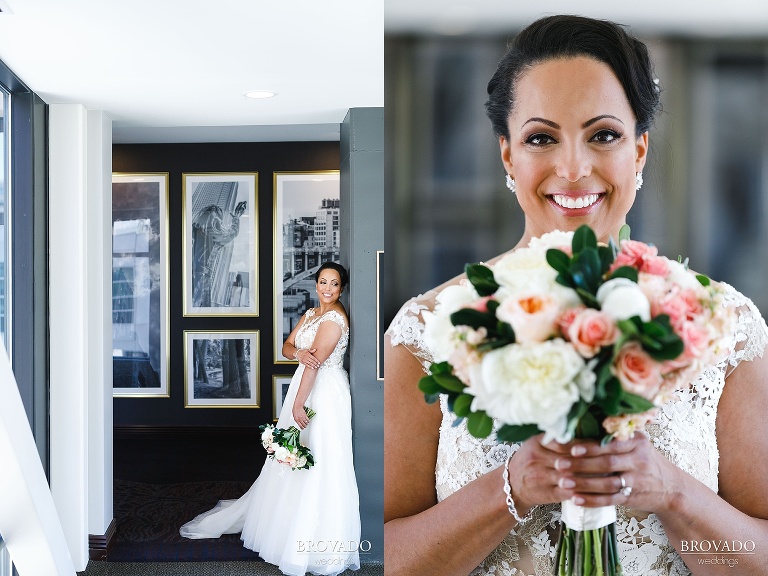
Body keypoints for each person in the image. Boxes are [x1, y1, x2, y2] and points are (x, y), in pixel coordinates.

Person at [384, 15, 768, 576]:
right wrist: (510, 489)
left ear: (638, 152)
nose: (572, 168)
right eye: (541, 138)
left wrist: (673, 492)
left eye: (603, 135)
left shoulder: (722, 325)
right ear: (508, 156)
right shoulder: (429, 328)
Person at [181, 261, 361, 576]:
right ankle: (284, 525)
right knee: (292, 457)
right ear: (315, 284)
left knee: (319, 459)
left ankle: (313, 543)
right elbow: (287, 347)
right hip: (303, 386)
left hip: (324, 392)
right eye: (322, 282)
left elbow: (316, 365)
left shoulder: (334, 320)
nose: (327, 288)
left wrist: (299, 403)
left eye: (334, 284)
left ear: (341, 288)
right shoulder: (311, 314)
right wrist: (299, 354)